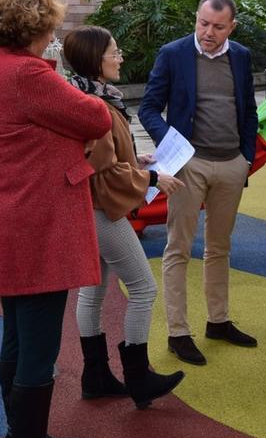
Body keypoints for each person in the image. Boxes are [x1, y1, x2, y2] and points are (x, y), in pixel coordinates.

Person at [0, 0, 112, 438]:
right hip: (34, 224)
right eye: (50, 29)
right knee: (39, 345)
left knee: (18, 335)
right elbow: (94, 116)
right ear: (38, 29)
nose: (52, 38)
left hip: (6, 220)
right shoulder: (26, 74)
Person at [62, 25, 187, 409]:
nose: (120, 57)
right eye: (114, 52)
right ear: (94, 60)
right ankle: (138, 377)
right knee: (144, 289)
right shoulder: (97, 105)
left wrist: (137, 159)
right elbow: (102, 170)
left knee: (94, 290)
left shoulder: (87, 95)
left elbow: (106, 160)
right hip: (101, 209)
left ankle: (96, 375)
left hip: (89, 206)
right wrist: (150, 176)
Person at [138, 0, 259, 366]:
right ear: (197, 19)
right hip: (189, 166)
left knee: (220, 246)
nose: (208, 32)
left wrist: (246, 158)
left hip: (231, 164)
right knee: (178, 247)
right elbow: (148, 107)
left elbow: (249, 111)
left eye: (217, 27)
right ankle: (178, 332)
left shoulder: (240, 55)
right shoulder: (173, 53)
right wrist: (172, 143)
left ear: (231, 27)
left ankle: (218, 321)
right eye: (203, 23)